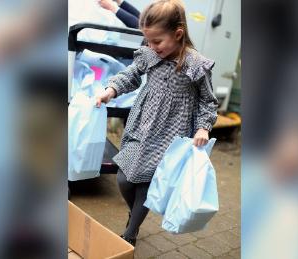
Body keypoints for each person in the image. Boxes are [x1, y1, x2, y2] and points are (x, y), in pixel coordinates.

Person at [96, 0, 218, 246]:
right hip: (142, 125)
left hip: (172, 133)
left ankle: (131, 232)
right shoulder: (149, 54)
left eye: (157, 41)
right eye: (148, 41)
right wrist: (111, 89)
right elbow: (131, 74)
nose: (151, 46)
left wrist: (204, 127)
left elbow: (208, 101)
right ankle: (137, 213)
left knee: (146, 182)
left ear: (178, 33)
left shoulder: (195, 65)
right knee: (124, 178)